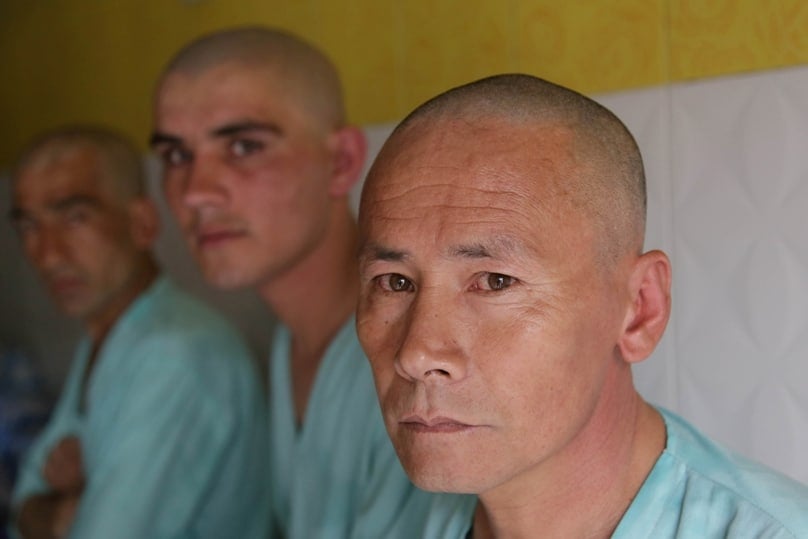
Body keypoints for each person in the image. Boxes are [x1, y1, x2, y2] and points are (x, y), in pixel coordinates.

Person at [356, 73, 808, 538]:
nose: (416, 354)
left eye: (494, 281)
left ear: (639, 309)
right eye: (394, 282)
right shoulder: (378, 517)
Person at [150, 26, 460, 538]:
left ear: (340, 162)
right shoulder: (291, 343)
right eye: (177, 157)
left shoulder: (414, 357)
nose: (196, 194)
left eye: (244, 146)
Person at [8, 126, 269, 539]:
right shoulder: (107, 334)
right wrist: (55, 512)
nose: (48, 253)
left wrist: (64, 507)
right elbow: (22, 504)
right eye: (29, 227)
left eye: (75, 218)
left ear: (142, 224)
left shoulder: (177, 353)